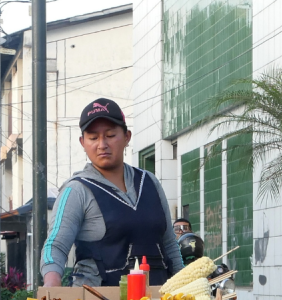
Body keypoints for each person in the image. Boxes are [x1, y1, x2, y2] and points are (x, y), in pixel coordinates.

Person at [41, 98, 183, 287]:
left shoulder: (149, 182)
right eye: (93, 138)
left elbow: (170, 245)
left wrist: (186, 287)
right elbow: (55, 246)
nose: (102, 144)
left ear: (127, 137)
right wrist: (52, 287)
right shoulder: (75, 190)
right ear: (83, 142)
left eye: (110, 135)